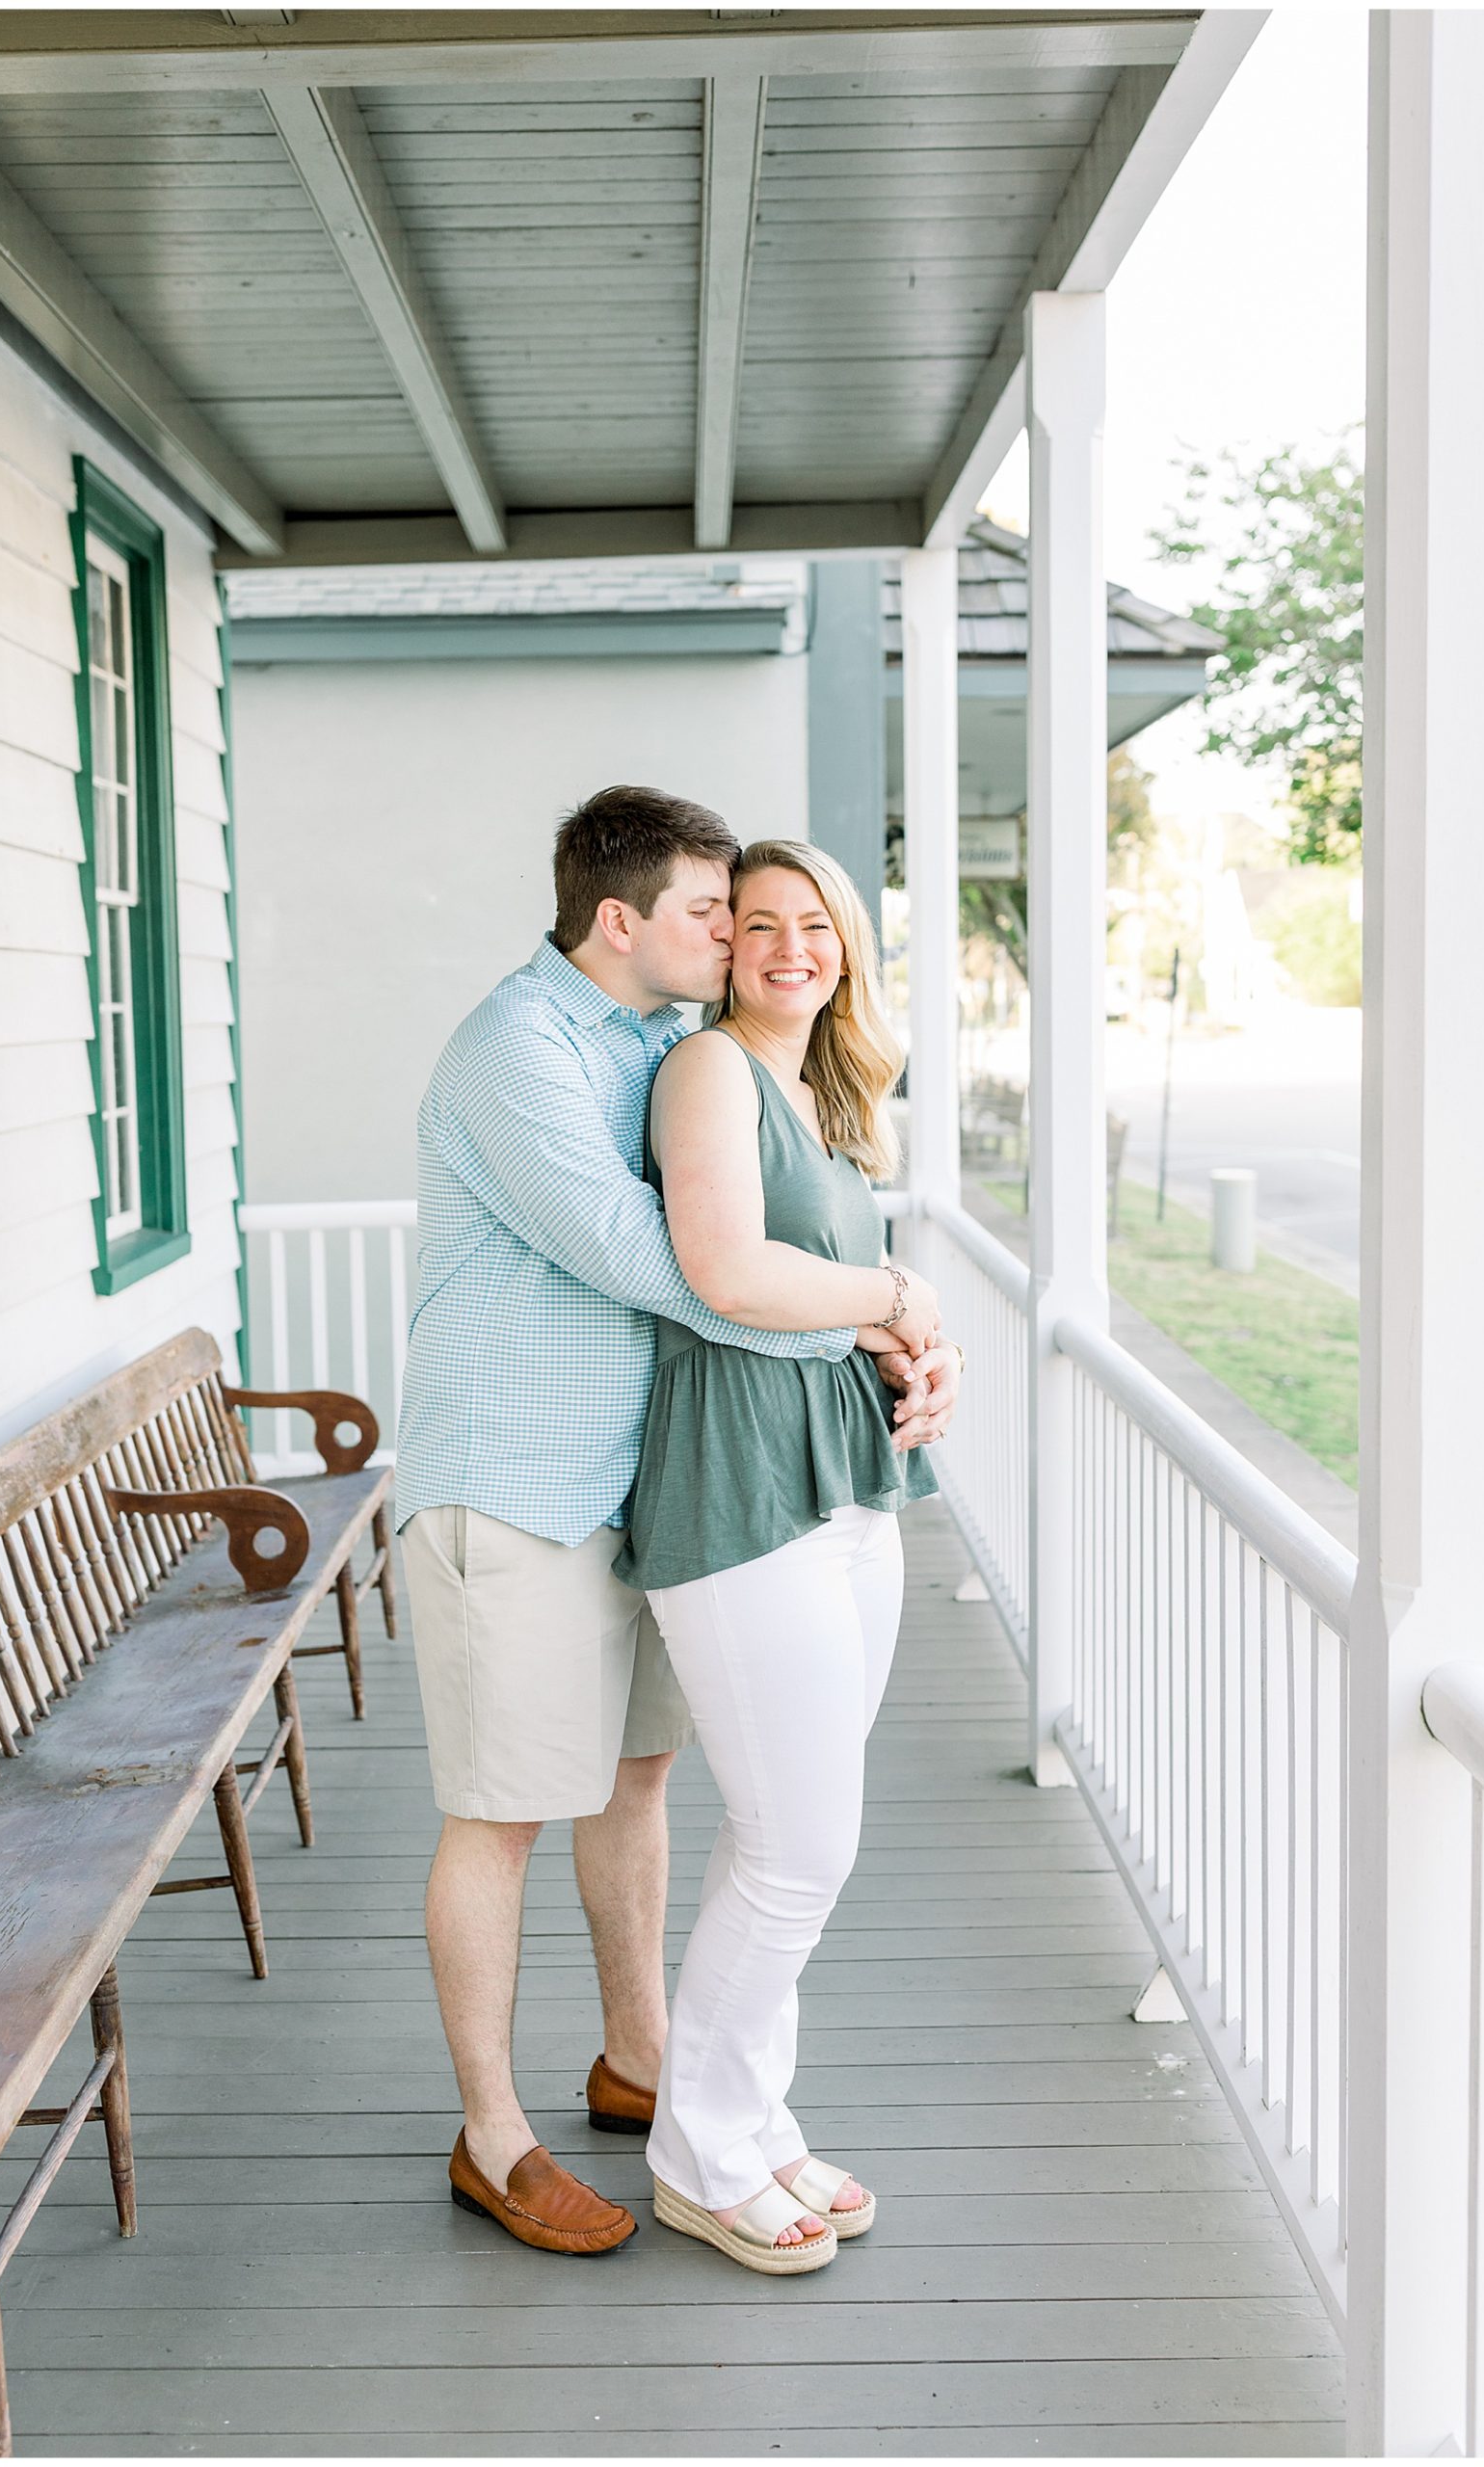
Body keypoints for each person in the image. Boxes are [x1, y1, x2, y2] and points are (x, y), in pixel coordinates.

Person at [394, 786, 959, 2257]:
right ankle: (492, 2133)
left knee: (637, 1789)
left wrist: (882, 1320)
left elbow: (786, 1213)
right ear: (619, 920)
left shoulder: (661, 1039)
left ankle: (646, 2062)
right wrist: (876, 1321)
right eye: (716, 912)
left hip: (646, 1482)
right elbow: (675, 1265)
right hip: (512, 1487)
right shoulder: (514, 1048)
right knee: (501, 1815)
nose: (739, 936)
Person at [613, 836, 959, 2275]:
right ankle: (696, 2153)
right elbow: (727, 1270)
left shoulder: (822, 1096)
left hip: (841, 1477)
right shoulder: (706, 1074)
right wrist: (897, 1290)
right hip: (740, 1479)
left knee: (784, 1836)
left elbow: (829, 1299)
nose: (785, 947)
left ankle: (747, 2119)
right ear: (719, 946)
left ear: (845, 947)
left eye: (812, 924)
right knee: (800, 1844)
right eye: (754, 923)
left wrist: (919, 1354)